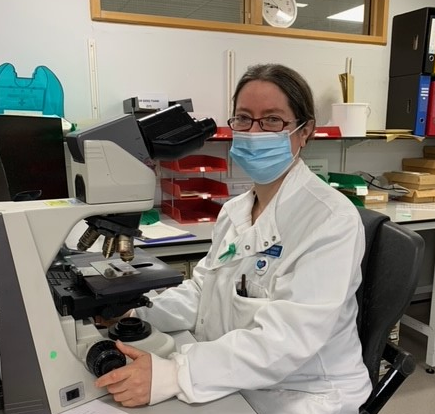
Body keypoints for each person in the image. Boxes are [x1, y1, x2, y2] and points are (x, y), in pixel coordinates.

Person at [95, 63, 372, 414]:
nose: (255, 132)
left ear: (305, 132)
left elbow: (285, 341)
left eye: (272, 120)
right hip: (237, 379)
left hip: (304, 393)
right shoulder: (234, 210)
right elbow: (203, 290)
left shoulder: (331, 220)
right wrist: (136, 315)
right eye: (244, 118)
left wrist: (175, 374)